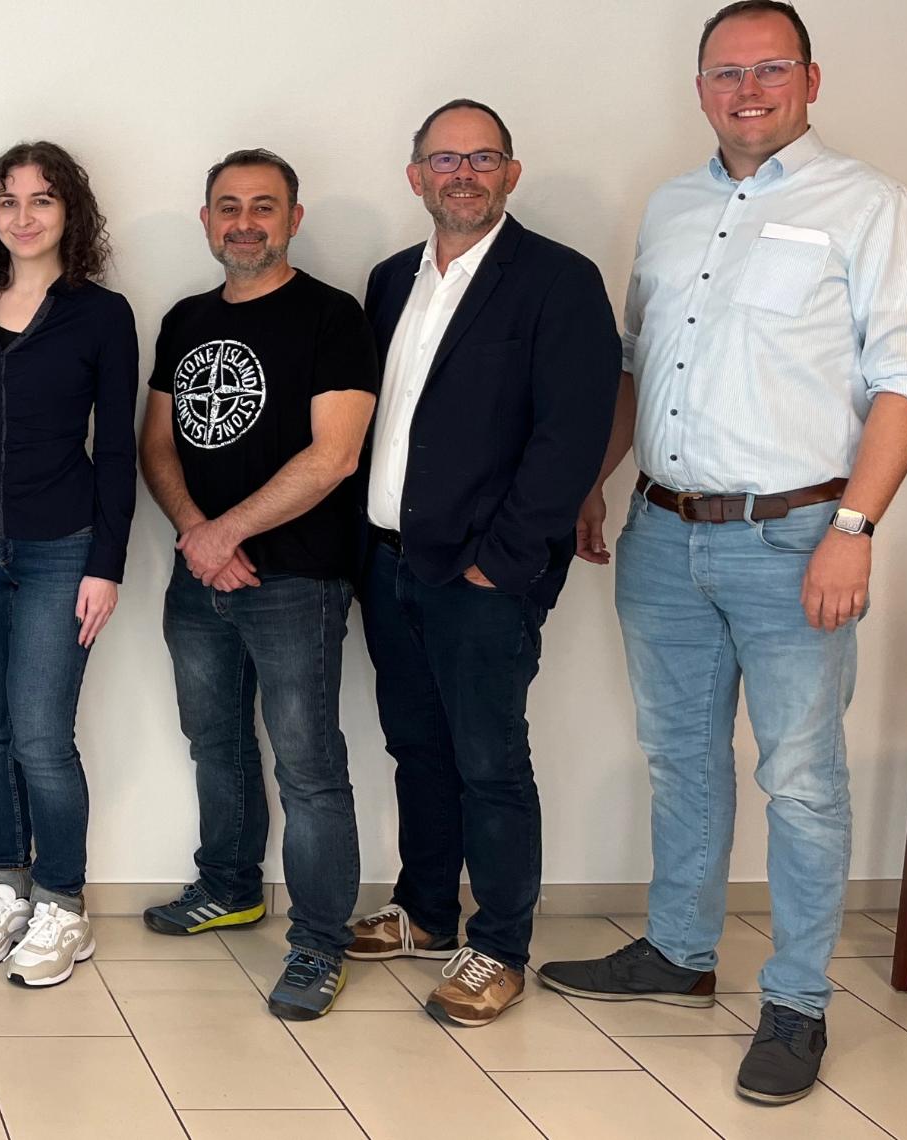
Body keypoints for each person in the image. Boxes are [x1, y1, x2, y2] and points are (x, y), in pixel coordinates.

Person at [539, 1, 907, 1104]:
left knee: (802, 779)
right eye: (726, 72)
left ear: (811, 78)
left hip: (801, 534)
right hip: (663, 532)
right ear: (700, 85)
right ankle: (677, 951)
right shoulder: (670, 208)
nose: (748, 90)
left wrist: (854, 530)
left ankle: (799, 1002)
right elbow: (637, 364)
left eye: (771, 70)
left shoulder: (869, 206)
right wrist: (596, 478)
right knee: (681, 758)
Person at [342, 98, 618, 1029]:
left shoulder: (557, 280)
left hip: (483, 577)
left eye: (483, 157)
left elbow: (569, 436)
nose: (463, 173)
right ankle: (425, 911)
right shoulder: (389, 281)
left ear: (512, 172)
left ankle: (498, 945)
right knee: (415, 748)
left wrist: (503, 563)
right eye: (444, 159)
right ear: (414, 175)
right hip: (388, 563)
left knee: (491, 761)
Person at [136, 150, 378, 1021]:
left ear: (294, 219)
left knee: (310, 765)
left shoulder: (332, 316)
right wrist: (198, 538)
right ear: (206, 220)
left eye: (264, 207)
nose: (245, 222)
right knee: (217, 742)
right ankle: (230, 887)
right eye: (228, 207)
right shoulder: (184, 318)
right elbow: (157, 444)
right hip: (199, 576)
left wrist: (226, 531)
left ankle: (318, 943)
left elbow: (336, 453)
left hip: (296, 581)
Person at [0, 141, 136, 988]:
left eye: (42, 200)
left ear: (68, 213)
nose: (24, 216)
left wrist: (106, 563)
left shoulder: (102, 315)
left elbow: (115, 450)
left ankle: (62, 904)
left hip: (61, 552)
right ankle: (5, 886)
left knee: (43, 737)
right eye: (8, 202)